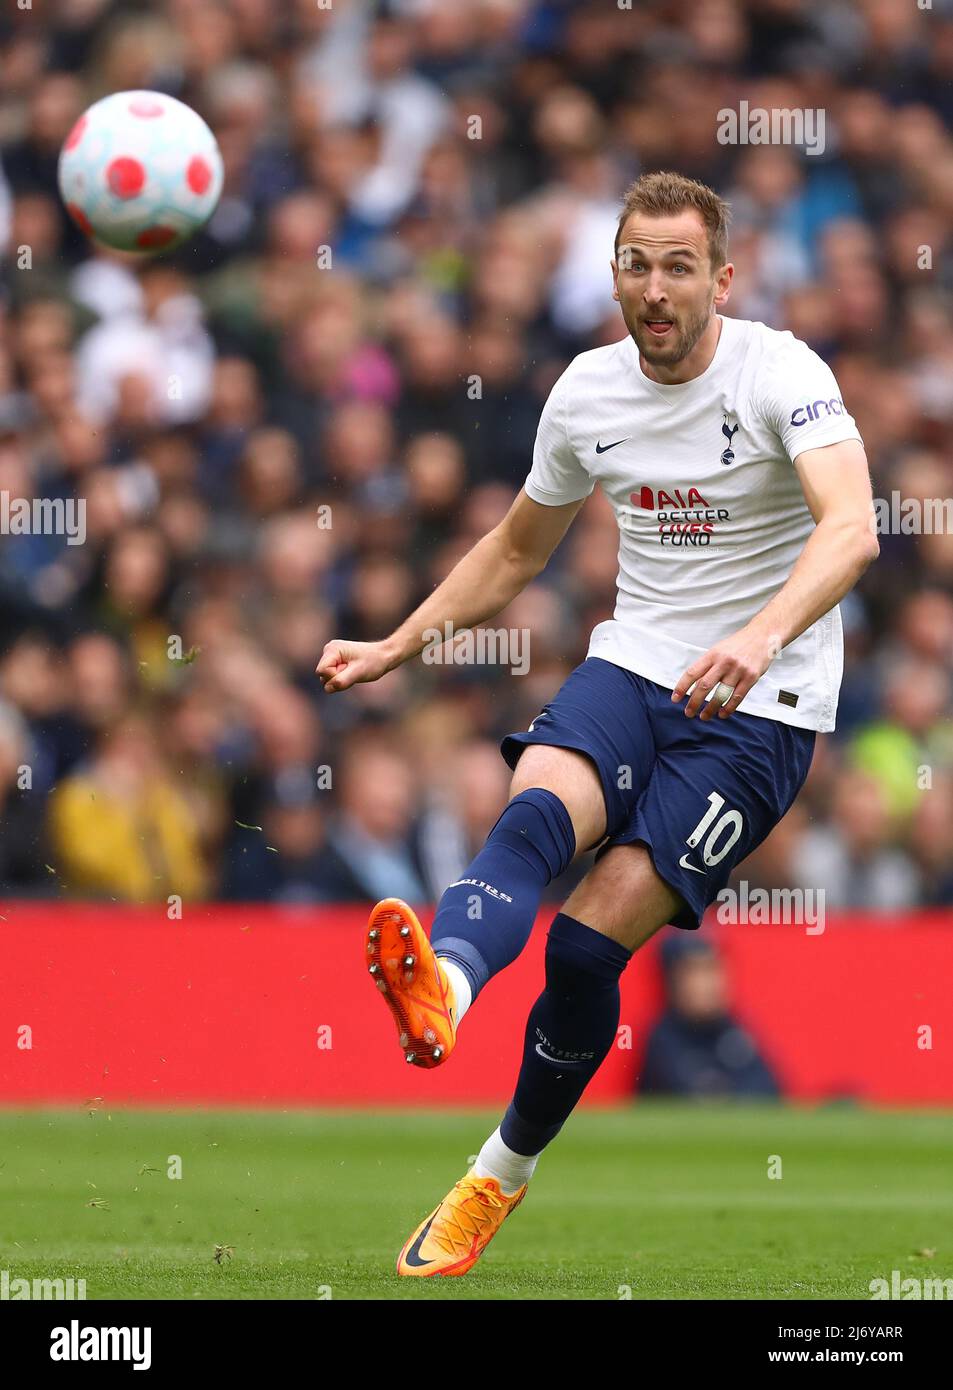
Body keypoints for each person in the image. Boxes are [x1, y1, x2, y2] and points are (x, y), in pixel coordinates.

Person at [316, 171, 878, 1278]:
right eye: (636, 263)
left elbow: (852, 529)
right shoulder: (584, 393)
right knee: (535, 810)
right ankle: (449, 989)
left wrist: (759, 638)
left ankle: (495, 1176)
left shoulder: (780, 373)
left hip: (757, 708)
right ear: (611, 272)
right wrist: (399, 641)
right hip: (636, 660)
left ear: (720, 277)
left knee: (582, 946)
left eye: (679, 266)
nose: (656, 288)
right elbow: (517, 549)